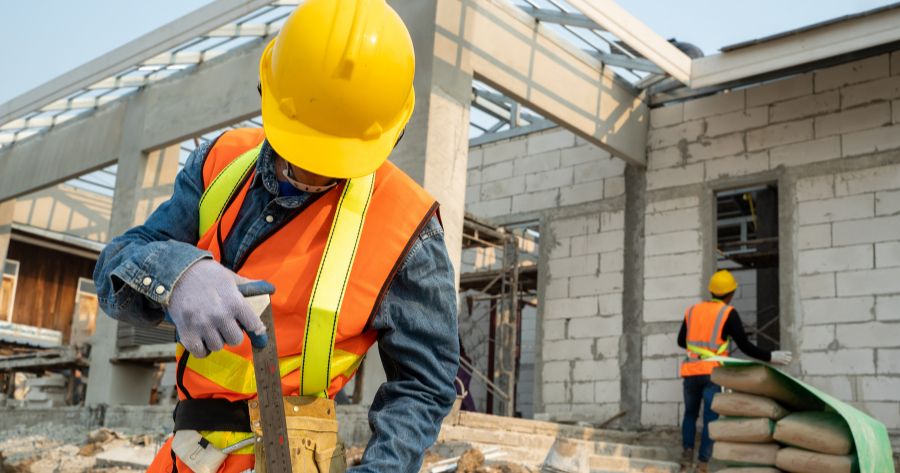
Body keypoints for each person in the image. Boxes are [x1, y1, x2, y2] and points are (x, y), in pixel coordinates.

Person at [92, 1, 460, 472]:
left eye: (332, 159)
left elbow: (424, 385)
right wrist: (176, 274)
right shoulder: (218, 163)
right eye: (302, 147)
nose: (311, 171)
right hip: (184, 457)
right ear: (267, 91)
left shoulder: (408, 228)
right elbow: (114, 267)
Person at [676, 270, 792, 472]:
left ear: (711, 291)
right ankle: (702, 463)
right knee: (710, 418)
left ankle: (686, 455)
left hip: (690, 371)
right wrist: (771, 356)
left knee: (690, 414)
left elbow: (680, 341)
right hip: (713, 373)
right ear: (730, 293)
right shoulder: (728, 313)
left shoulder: (692, 310)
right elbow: (745, 346)